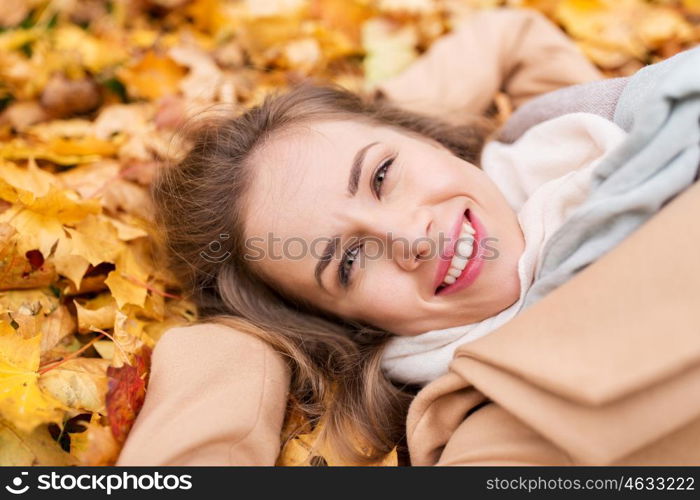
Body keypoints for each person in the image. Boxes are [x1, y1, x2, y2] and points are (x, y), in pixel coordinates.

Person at [115, 7, 674, 466]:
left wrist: (380, 115)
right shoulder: (496, 422)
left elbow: (506, 32)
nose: (411, 237)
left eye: (382, 176)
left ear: (427, 136)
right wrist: (232, 346)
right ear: (354, 328)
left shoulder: (564, 150)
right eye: (350, 262)